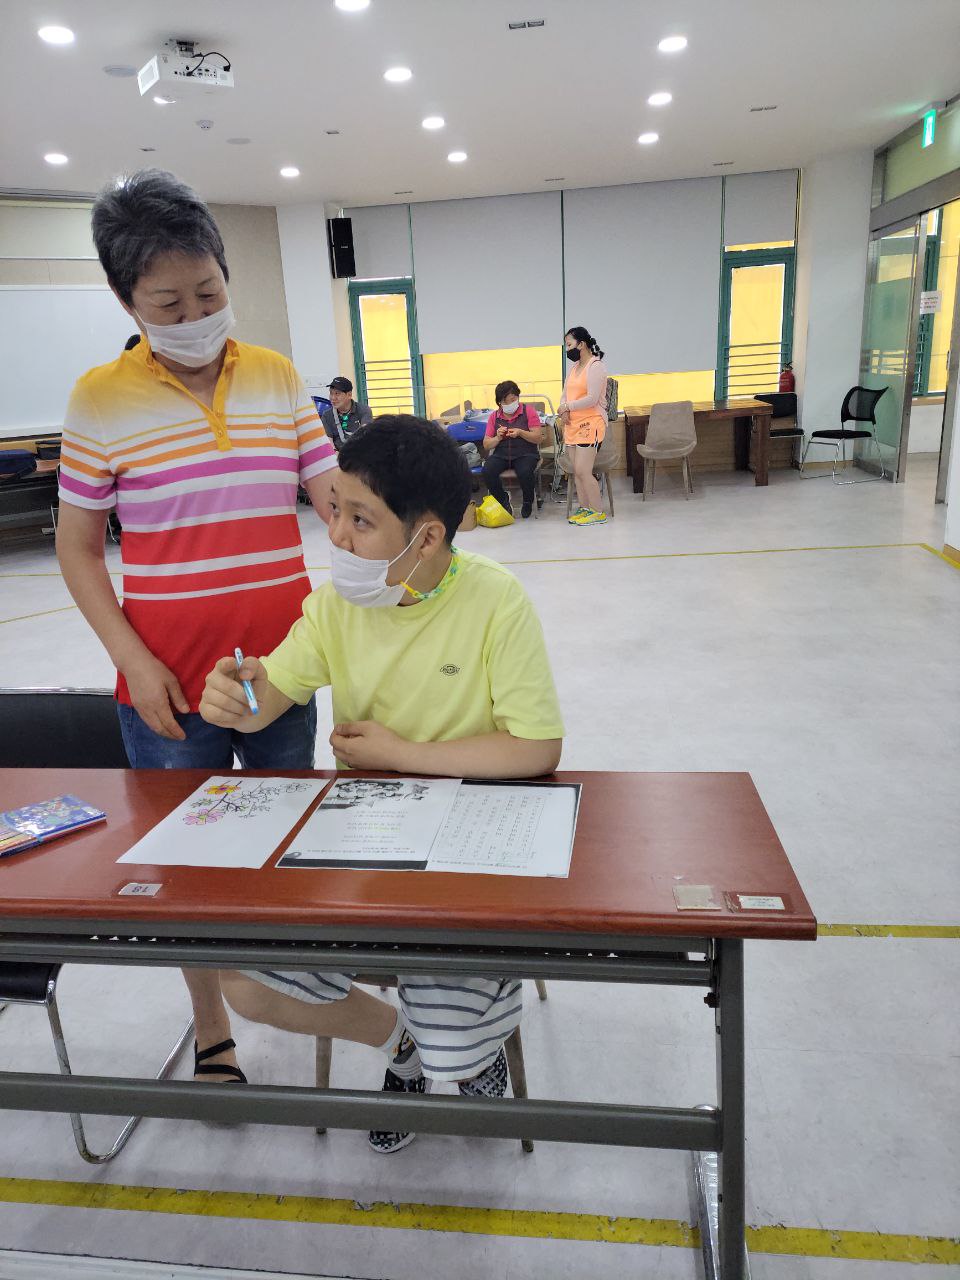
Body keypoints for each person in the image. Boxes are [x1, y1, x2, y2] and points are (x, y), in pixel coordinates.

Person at [199, 416, 564, 1153]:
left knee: (460, 1036)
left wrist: (400, 752)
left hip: (470, 834)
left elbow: (537, 746)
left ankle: (464, 1050)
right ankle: (402, 1046)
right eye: (334, 508)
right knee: (243, 977)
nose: (335, 535)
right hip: (367, 833)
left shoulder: (496, 601)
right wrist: (237, 692)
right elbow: (275, 687)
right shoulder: (339, 606)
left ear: (426, 538)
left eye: (359, 520)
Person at [55, 168, 338, 1089]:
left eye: (209, 292)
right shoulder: (101, 399)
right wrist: (131, 661)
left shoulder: (278, 374)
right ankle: (214, 1024)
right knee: (189, 866)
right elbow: (78, 549)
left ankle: (300, 986)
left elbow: (331, 494)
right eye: (169, 302)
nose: (196, 314)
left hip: (282, 673)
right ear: (125, 300)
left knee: (290, 838)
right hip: (168, 685)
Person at [559, 326, 608, 526]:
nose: (567, 349)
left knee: (584, 470)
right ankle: (585, 508)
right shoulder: (573, 368)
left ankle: (598, 512)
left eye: (569, 344)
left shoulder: (596, 367)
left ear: (582, 344)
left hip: (591, 423)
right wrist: (563, 410)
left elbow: (592, 398)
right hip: (572, 425)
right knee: (576, 471)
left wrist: (568, 406)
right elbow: (565, 393)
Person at [481, 380, 543, 519]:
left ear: (518, 397)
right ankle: (503, 500)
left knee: (525, 471)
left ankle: (527, 501)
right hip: (502, 454)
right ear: (499, 403)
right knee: (488, 470)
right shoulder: (494, 417)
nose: (510, 404)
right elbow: (486, 444)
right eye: (506, 402)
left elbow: (538, 438)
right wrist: (497, 438)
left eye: (513, 400)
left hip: (526, 453)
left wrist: (521, 432)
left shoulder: (529, 412)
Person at [320, 376, 372, 451]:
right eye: (331, 393)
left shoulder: (364, 410)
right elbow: (329, 443)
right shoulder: (327, 415)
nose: (333, 398)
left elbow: (365, 437)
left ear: (349, 395)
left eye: (337, 394)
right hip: (338, 456)